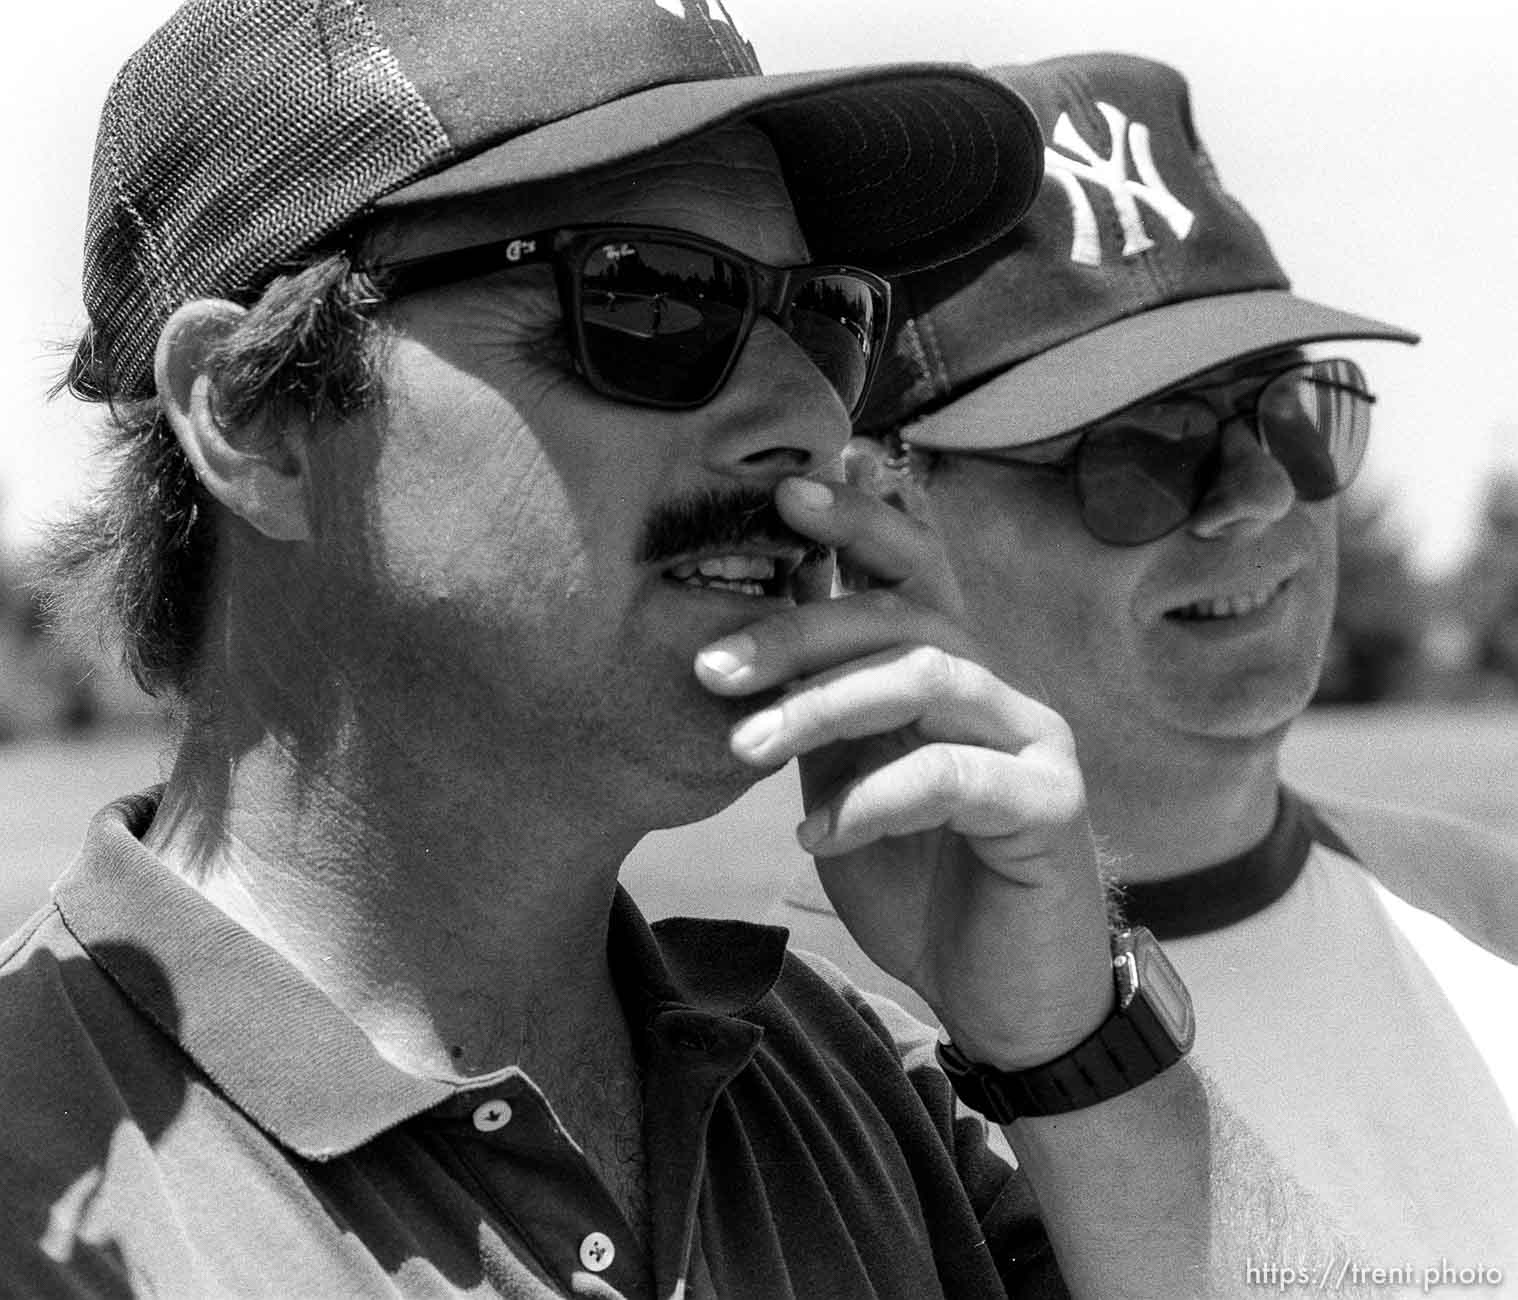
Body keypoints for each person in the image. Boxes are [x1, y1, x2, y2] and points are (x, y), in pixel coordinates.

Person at [1, 7, 1378, 1296]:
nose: (806, 417)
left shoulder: (853, 1082)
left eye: (833, 321)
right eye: (654, 298)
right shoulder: (46, 1168)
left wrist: (1076, 1046)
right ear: (255, 418)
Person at [773, 52, 1518, 1277]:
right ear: (880, 506)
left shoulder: (1492, 912)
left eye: (1287, 412)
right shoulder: (810, 1055)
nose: (1250, 498)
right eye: (1136, 451)